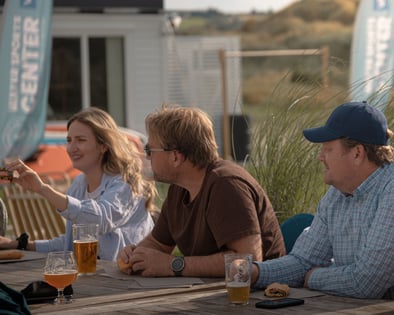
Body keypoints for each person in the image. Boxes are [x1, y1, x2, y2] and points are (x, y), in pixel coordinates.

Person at [117, 105, 285, 277]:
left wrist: (173, 265)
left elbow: (246, 260)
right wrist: (136, 255)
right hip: (212, 293)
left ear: (175, 156)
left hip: (261, 295)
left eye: (150, 150)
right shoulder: (180, 188)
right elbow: (158, 244)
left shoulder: (226, 186)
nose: (147, 156)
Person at [251, 101, 394, 299]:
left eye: (328, 148)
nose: (320, 157)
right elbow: (303, 261)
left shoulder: (391, 190)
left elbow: (367, 281)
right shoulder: (336, 195)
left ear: (357, 153)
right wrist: (254, 272)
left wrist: (313, 278)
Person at [0, 107, 156, 261]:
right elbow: (69, 244)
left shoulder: (124, 183)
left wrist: (43, 189)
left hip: (134, 279)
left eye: (81, 140)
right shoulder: (79, 185)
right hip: (100, 277)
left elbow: (99, 220)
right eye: (69, 140)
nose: (71, 148)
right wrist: (17, 243)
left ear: (103, 146)